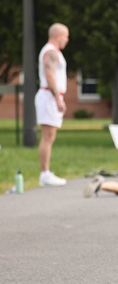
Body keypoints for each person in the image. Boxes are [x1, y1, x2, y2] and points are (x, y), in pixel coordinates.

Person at [35, 23, 70, 186]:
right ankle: (45, 173)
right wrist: (57, 98)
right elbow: (49, 75)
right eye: (65, 36)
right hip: (49, 96)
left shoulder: (53, 52)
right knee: (47, 136)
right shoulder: (50, 52)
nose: (67, 40)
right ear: (58, 36)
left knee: (50, 136)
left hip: (51, 96)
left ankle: (46, 172)